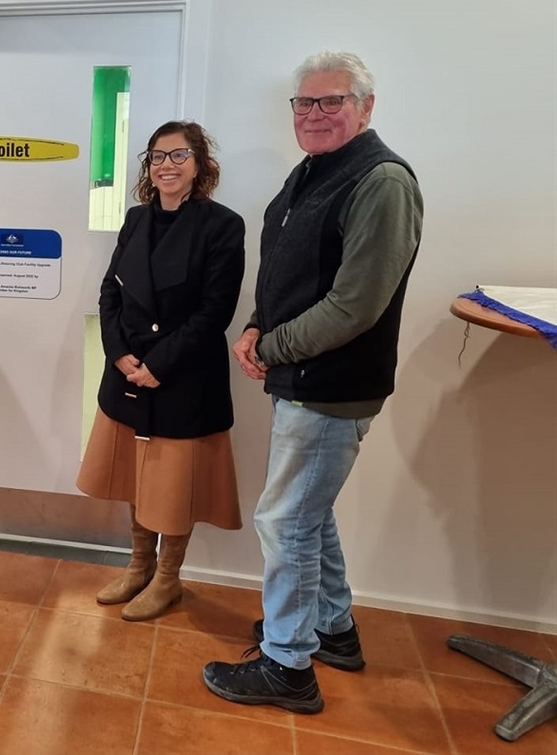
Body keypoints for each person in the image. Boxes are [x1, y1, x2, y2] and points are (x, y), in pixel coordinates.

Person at [203, 52, 424, 714]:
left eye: (333, 101)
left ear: (367, 105)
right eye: (306, 103)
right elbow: (292, 271)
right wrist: (253, 326)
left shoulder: (381, 182)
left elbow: (356, 305)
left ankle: (287, 663)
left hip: (332, 382)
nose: (317, 113)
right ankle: (331, 629)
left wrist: (268, 345)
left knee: (286, 520)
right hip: (301, 375)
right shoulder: (315, 172)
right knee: (306, 511)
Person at [76, 120, 245, 622]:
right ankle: (138, 567)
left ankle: (168, 580)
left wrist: (159, 364)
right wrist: (118, 352)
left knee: (172, 484)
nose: (166, 166)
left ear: (200, 164)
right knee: (136, 476)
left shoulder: (222, 225)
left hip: (183, 376)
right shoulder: (135, 220)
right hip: (128, 371)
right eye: (156, 157)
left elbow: (216, 311)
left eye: (178, 156)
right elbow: (111, 290)